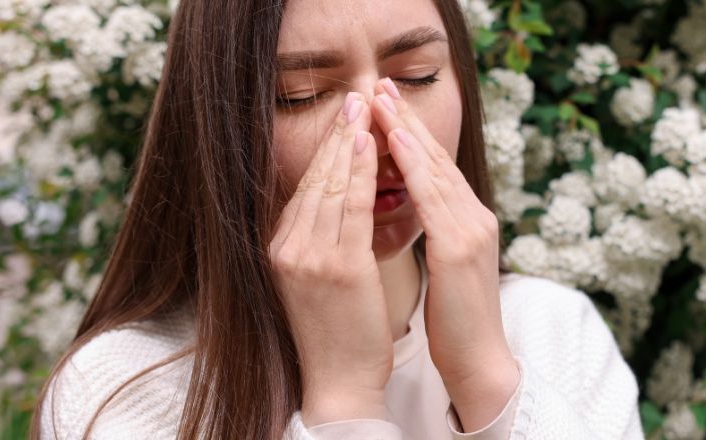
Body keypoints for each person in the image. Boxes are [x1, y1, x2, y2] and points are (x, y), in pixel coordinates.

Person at [32, 0, 642, 438]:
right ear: (221, 128)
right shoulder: (124, 386)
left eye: (416, 76)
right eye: (303, 94)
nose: (379, 130)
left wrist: (488, 380)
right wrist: (343, 403)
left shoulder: (555, 329)